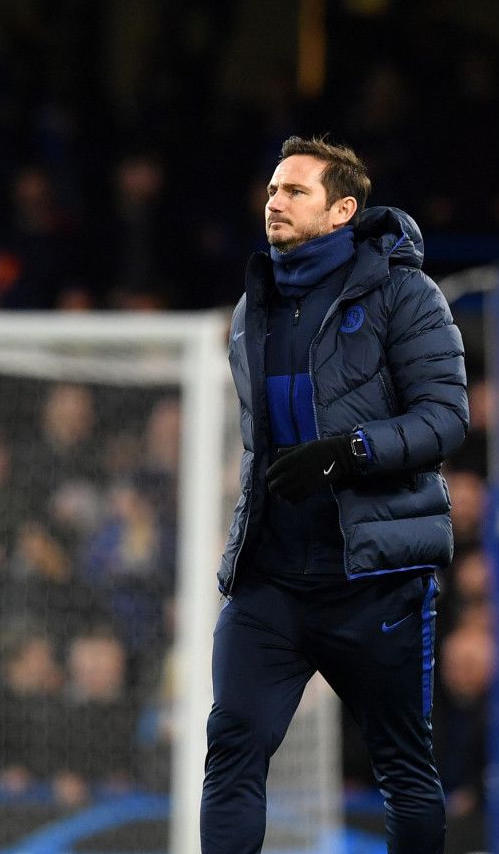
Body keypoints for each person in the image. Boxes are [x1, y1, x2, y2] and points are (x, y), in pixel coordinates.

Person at [203, 138, 466, 854]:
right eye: (271, 192)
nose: (275, 203)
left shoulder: (406, 294)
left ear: (343, 209)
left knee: (403, 771)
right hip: (272, 581)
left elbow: (447, 419)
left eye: (295, 192)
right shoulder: (248, 310)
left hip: (373, 580)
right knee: (231, 747)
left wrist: (350, 454)